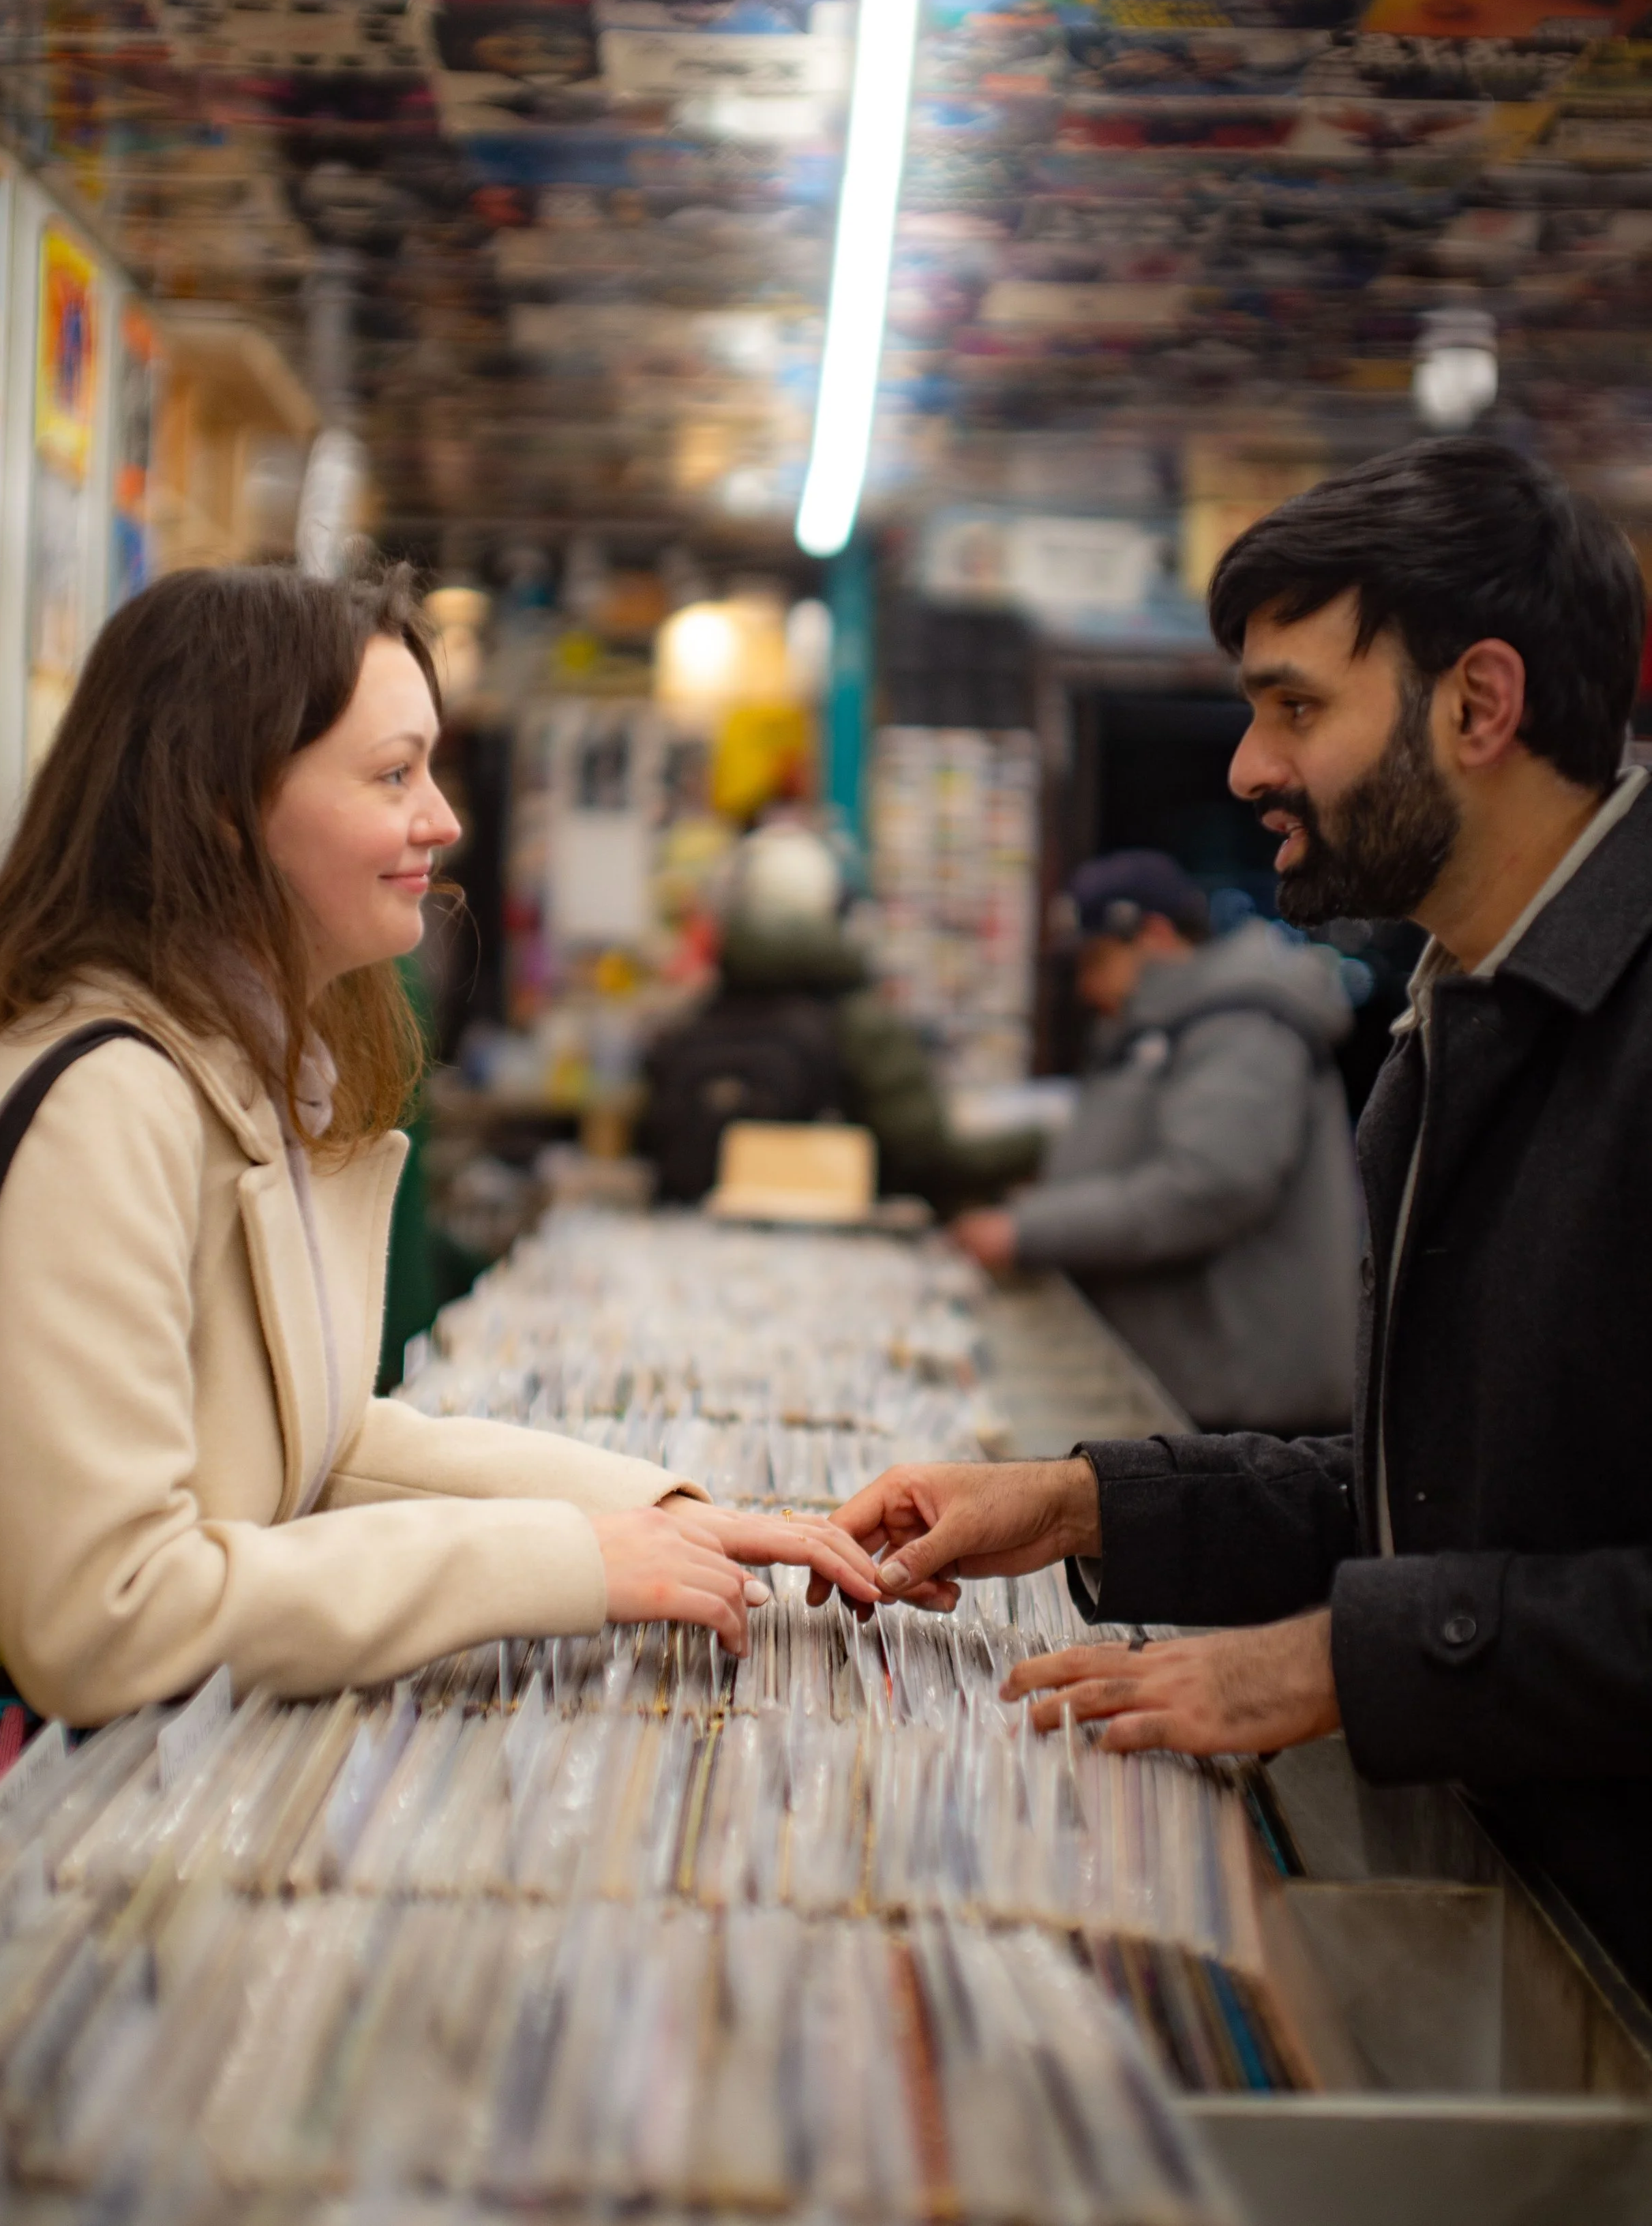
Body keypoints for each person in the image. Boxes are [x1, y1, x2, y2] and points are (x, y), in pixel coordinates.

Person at [832, 439, 1652, 1998]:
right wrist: (1083, 1503)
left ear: (1478, 706)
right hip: (1522, 1920)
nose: (1246, 769)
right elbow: (1450, 1499)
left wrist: (1343, 1655)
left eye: (1296, 706)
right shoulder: (1452, 1020)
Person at [0, 567, 880, 1758]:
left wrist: (660, 1514)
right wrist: (568, 1561)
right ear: (224, 805)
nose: (442, 820)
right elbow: (105, 1615)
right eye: (394, 774)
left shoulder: (242, 1062)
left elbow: (315, 1453)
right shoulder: (107, 1098)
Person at [952, 848, 1359, 1433]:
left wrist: (1029, 1230)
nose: (1088, 987)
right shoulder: (1164, 1024)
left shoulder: (1242, 1024)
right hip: (1196, 1392)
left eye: (1097, 960)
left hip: (1244, 1410)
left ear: (1156, 934)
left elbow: (1210, 1187)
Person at [644, 822, 1042, 1207]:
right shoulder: (860, 1022)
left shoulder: (700, 1014)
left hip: (695, 1234)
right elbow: (927, 1155)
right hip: (840, 1239)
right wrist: (1043, 1144)